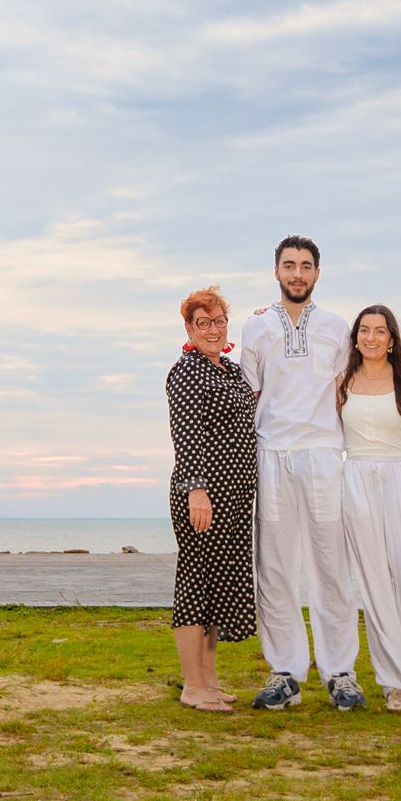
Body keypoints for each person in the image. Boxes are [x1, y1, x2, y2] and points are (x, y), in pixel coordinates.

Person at [237, 236, 365, 711]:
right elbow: (248, 395)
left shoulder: (337, 327)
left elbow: (348, 393)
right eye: (288, 265)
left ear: (317, 274)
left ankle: (340, 673)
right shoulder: (255, 328)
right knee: (275, 568)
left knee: (331, 567)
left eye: (305, 266)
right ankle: (285, 671)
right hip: (271, 455)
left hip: (323, 455)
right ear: (275, 272)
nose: (297, 273)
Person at [338, 304, 401, 711]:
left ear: (392, 340)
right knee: (377, 589)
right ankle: (394, 685)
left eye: (380, 331)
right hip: (357, 481)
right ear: (356, 338)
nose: (372, 338)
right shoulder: (342, 381)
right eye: (365, 330)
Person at [166, 285, 258, 711]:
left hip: (237, 495)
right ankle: (192, 685)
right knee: (196, 581)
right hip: (203, 493)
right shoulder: (186, 372)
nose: (214, 329)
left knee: (218, 586)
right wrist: (196, 490)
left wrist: (267, 323)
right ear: (188, 327)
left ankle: (210, 677)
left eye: (220, 321)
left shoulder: (233, 371)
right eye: (203, 322)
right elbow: (185, 436)